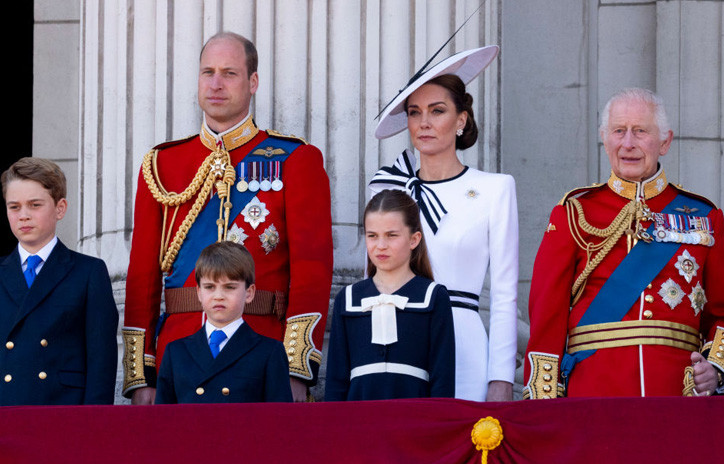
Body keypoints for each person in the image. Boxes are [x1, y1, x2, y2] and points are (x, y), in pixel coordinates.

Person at [122, 31, 333, 404]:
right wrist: (142, 374)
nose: (216, 84)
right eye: (208, 72)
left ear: (253, 82)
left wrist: (296, 367)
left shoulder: (294, 159)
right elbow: (142, 278)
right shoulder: (162, 165)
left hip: (262, 354)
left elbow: (312, 271)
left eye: (229, 73)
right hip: (178, 357)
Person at [524, 88, 724, 398]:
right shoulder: (574, 213)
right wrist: (544, 401)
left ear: (665, 142)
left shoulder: (704, 215)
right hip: (593, 391)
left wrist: (715, 369)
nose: (628, 143)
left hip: (678, 393)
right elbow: (546, 315)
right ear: (604, 139)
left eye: (640, 131)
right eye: (619, 131)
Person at [369, 47, 519, 402]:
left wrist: (501, 377)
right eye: (414, 112)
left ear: (461, 119)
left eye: (437, 111)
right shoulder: (388, 188)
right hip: (395, 339)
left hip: (463, 342)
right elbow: (372, 278)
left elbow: (505, 293)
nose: (424, 122)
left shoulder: (495, 189)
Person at [0, 157, 118, 406]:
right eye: (14, 207)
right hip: (1, 411)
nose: (23, 216)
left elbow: (101, 361)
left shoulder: (88, 272)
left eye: (35, 205)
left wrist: (93, 423)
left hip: (63, 410)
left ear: (60, 208)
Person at [325, 189, 454, 401]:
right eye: (372, 236)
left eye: (391, 235)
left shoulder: (433, 296)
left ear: (414, 239)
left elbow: (443, 379)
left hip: (415, 413)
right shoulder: (347, 299)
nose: (381, 246)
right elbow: (336, 381)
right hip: (358, 416)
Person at [155, 241, 292, 404]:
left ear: (249, 293)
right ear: (199, 292)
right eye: (209, 287)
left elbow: (280, 417)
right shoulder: (176, 352)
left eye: (229, 287)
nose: (218, 296)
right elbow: (163, 417)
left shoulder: (269, 352)